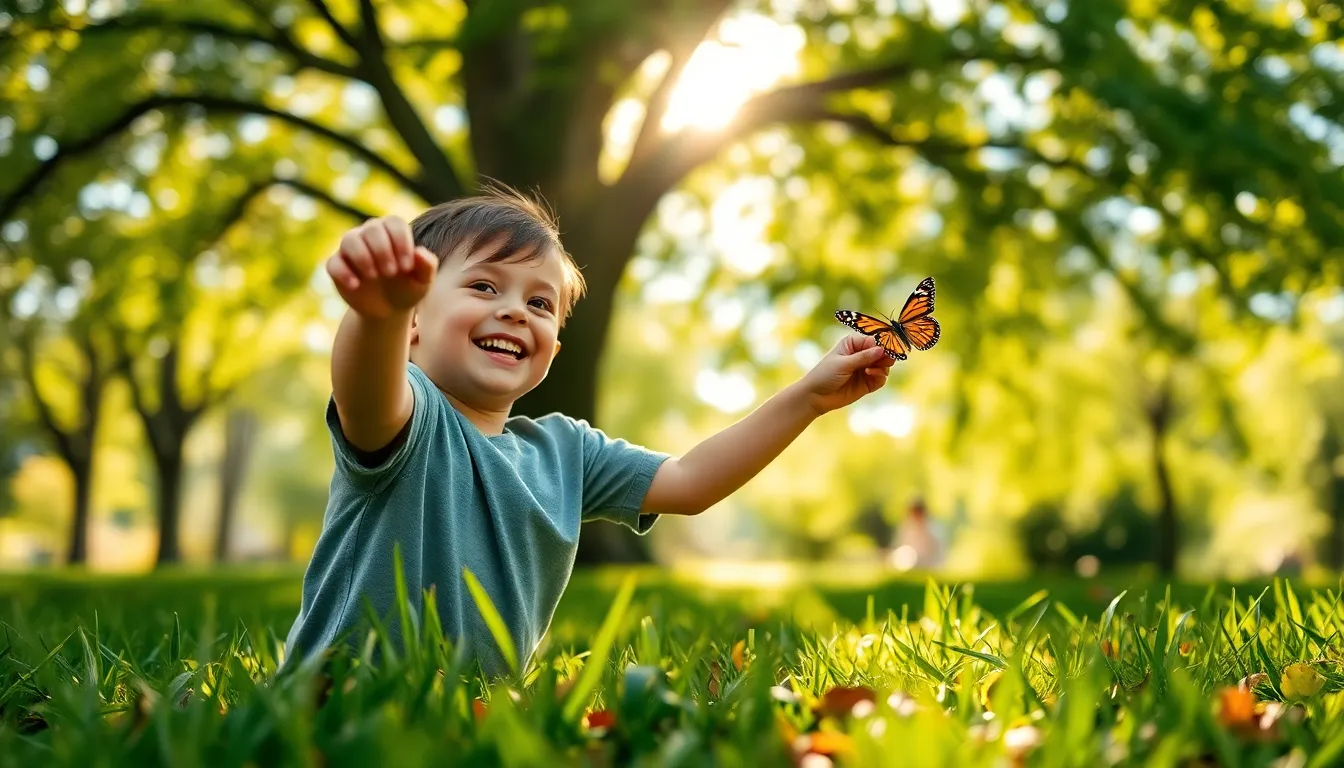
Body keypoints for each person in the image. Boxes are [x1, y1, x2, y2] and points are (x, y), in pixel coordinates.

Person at [283, 185, 897, 675]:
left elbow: (690, 481)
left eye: (541, 303)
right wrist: (375, 316)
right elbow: (364, 391)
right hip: (337, 710)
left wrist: (807, 398)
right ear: (413, 321)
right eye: (483, 285)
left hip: (471, 725)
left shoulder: (564, 451)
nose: (514, 310)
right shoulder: (412, 414)